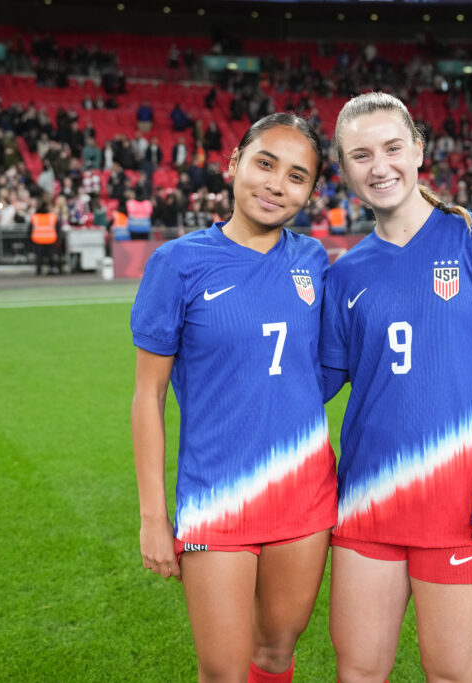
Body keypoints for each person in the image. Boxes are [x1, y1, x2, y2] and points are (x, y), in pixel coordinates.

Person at [321, 92, 472, 682]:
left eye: (393, 147)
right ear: (344, 170)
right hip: (366, 504)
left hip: (463, 505)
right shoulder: (344, 273)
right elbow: (314, 384)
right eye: (360, 155)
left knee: (448, 676)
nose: (380, 166)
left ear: (418, 150)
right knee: (358, 673)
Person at [130, 113, 337, 682]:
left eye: (297, 176)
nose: (276, 184)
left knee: (274, 653)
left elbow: (321, 367)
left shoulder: (314, 261)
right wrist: (153, 518)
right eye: (264, 164)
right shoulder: (177, 264)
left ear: (311, 192)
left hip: (304, 490)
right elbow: (148, 397)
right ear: (233, 166)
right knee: (223, 670)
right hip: (216, 494)